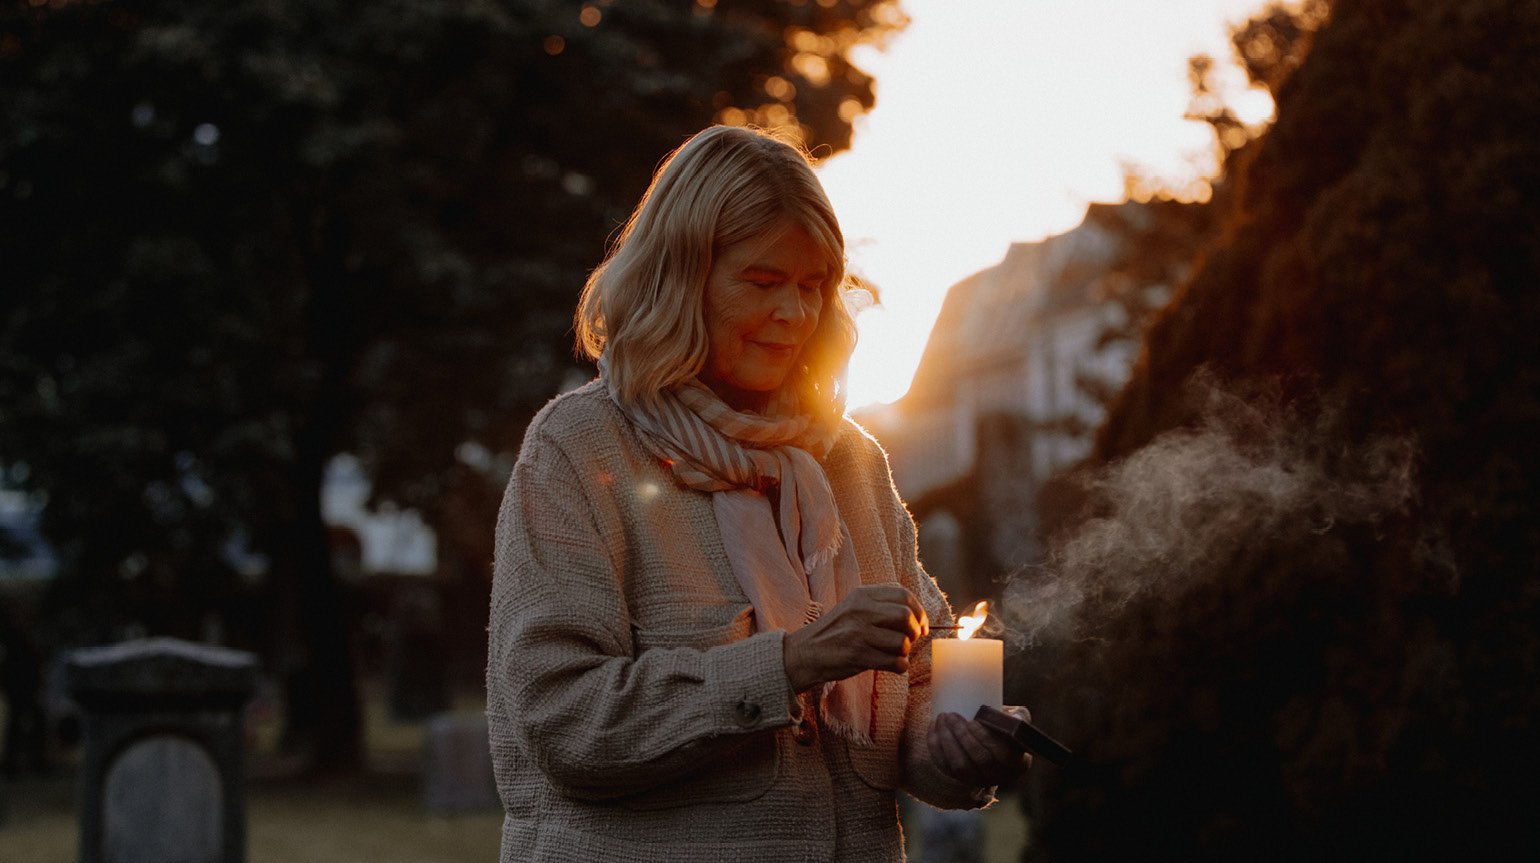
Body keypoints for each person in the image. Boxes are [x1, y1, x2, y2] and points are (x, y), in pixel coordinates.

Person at [486, 125, 1030, 862]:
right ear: (680, 276)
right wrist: (792, 660)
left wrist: (956, 742)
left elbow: (924, 677)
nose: (795, 315)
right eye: (764, 281)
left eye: (813, 286)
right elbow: (566, 723)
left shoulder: (850, 462)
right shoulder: (578, 449)